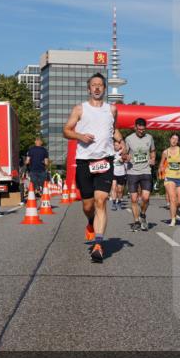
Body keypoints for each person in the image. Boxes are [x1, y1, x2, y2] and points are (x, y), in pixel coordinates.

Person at [63, 73, 118, 263]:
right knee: (88, 205)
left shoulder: (112, 109)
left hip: (105, 160)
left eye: (100, 85)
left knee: (101, 200)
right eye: (93, 85)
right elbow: (66, 130)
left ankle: (98, 244)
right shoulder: (80, 109)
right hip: (85, 162)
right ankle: (90, 221)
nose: (96, 88)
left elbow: (114, 129)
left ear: (104, 89)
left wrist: (120, 142)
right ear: (89, 89)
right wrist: (80, 136)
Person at [125, 118, 156, 231]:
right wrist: (126, 157)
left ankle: (142, 214)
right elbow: (124, 154)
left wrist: (153, 159)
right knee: (134, 199)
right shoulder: (129, 139)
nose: (141, 132)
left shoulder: (150, 138)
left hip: (146, 171)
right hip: (132, 172)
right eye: (139, 130)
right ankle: (136, 221)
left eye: (143, 130)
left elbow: (153, 150)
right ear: (135, 127)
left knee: (146, 198)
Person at [160, 133, 180, 226]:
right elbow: (161, 163)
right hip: (169, 177)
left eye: (176, 139)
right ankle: (173, 220)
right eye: (173, 138)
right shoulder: (165, 152)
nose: (174, 140)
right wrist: (161, 169)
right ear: (170, 139)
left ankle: (176, 208)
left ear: (178, 141)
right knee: (172, 199)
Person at [111, 133, 128, 211]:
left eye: (117, 145)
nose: (116, 146)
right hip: (113, 173)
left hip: (121, 173)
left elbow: (128, 158)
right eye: (115, 145)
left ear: (120, 146)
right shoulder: (111, 152)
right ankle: (114, 203)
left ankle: (120, 201)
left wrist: (124, 159)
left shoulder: (123, 152)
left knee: (120, 190)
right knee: (114, 188)